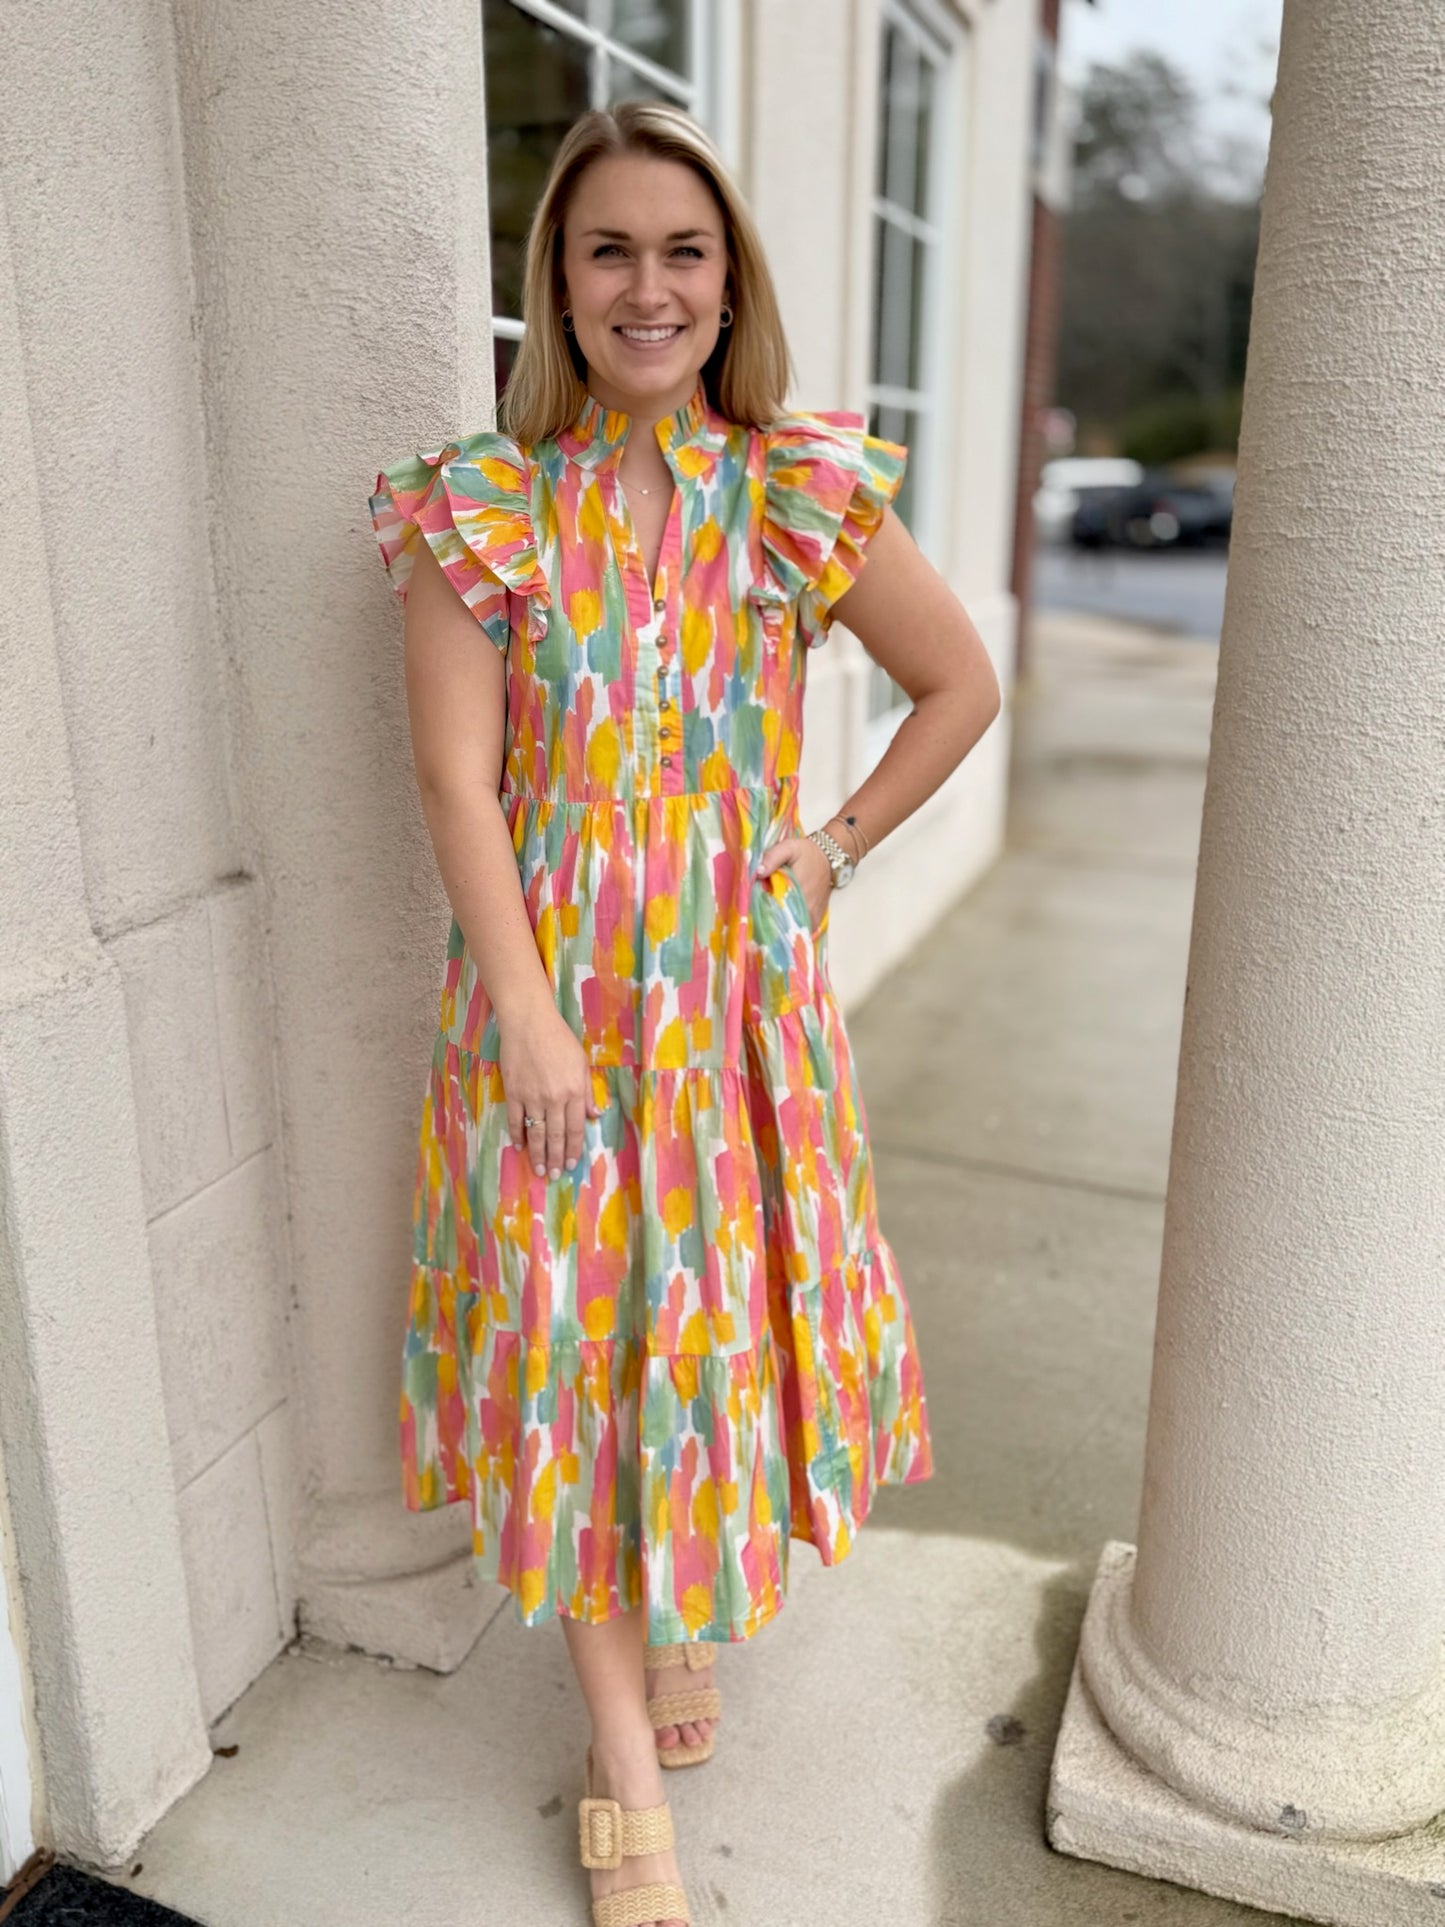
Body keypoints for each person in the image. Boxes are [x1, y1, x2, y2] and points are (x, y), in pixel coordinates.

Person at [369, 100, 1000, 1927]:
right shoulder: (481, 507)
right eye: (607, 250)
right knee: (576, 1346)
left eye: (683, 251)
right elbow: (454, 786)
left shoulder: (791, 489)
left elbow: (953, 684)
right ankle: (620, 1760)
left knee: (697, 1341)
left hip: (736, 1008)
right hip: (550, 997)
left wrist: (824, 853)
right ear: (556, 285)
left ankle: (668, 1625)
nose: (646, 286)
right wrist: (529, 1017)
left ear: (729, 287)